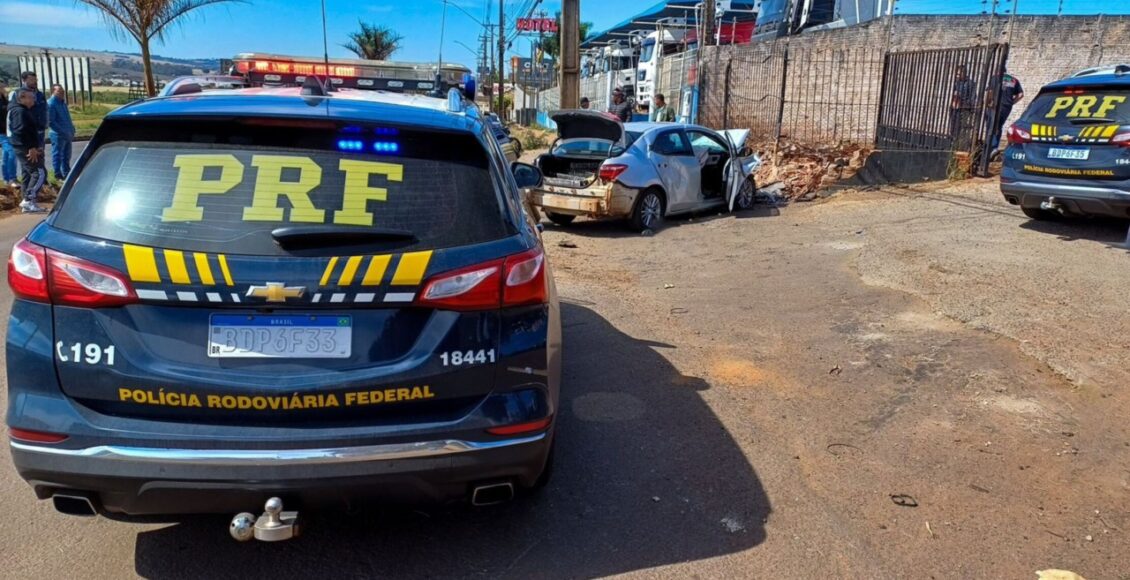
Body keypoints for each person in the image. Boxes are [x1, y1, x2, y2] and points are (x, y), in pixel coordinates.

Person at [8, 88, 48, 213]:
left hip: (25, 146)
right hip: (25, 148)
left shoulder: (23, 110)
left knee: (28, 174)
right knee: (39, 173)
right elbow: (21, 131)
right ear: (22, 98)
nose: (33, 100)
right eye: (31, 97)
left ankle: (28, 202)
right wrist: (31, 147)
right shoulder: (19, 111)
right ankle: (28, 200)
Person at [985, 71, 1024, 158]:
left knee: (991, 125)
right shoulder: (1014, 80)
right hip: (1006, 107)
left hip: (995, 105)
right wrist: (1012, 103)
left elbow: (990, 92)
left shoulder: (995, 77)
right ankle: (994, 148)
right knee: (999, 126)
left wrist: (987, 103)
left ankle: (991, 147)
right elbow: (1021, 95)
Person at [9, 72, 47, 149]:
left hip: (40, 130)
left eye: (35, 80)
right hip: (26, 132)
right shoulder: (17, 94)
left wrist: (45, 123)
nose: (34, 82)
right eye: (31, 79)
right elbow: (13, 113)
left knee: (40, 156)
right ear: (24, 80)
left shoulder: (40, 95)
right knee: (29, 158)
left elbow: (45, 110)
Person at [47, 84, 76, 180]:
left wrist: (72, 129)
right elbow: (51, 122)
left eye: (62, 90)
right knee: (58, 154)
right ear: (53, 91)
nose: (62, 92)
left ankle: (67, 172)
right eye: (59, 91)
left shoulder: (63, 103)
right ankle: (57, 174)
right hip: (58, 135)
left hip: (67, 133)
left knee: (67, 155)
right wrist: (63, 131)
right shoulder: (51, 104)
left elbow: (67, 118)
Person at [950, 65, 976, 151]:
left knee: (962, 127)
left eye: (958, 74)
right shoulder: (956, 82)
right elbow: (953, 94)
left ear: (963, 73)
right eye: (956, 74)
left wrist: (967, 105)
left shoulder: (971, 83)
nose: (957, 76)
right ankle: (953, 143)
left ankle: (961, 146)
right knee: (953, 127)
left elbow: (972, 97)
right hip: (955, 107)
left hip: (964, 108)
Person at [0, 82, 17, 188]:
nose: (3, 88)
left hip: (9, 131)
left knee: (6, 155)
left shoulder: (5, 100)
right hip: (1, 133)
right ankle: (12, 178)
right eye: (1, 87)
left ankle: (6, 179)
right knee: (11, 153)